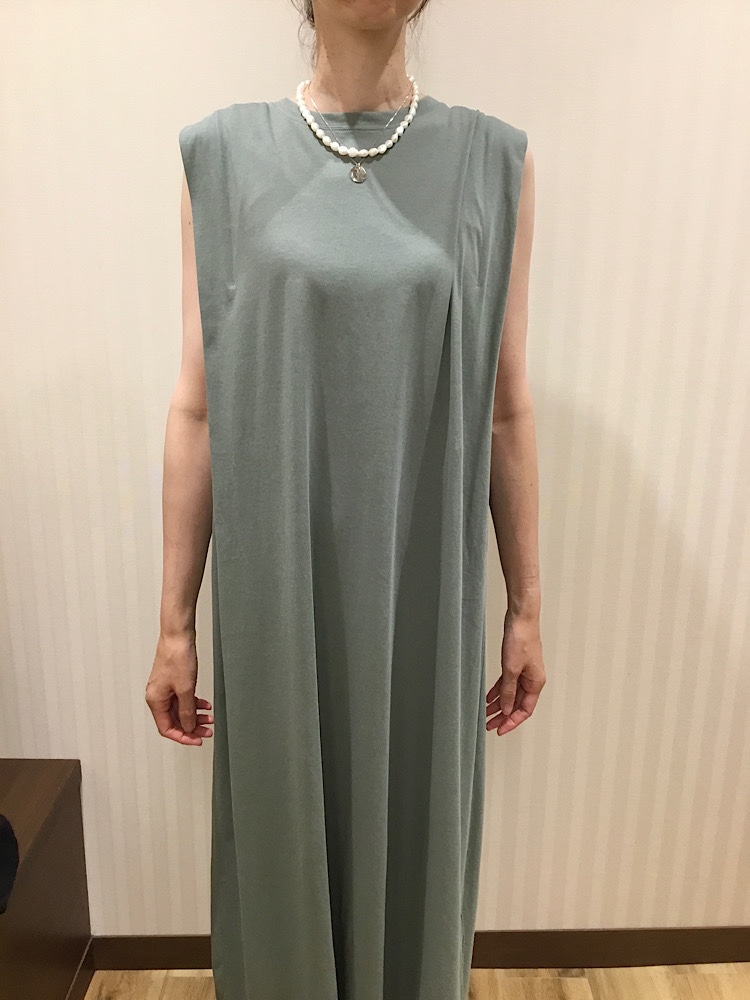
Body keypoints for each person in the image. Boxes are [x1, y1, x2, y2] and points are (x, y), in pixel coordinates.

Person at [145, 1, 546, 997]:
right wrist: (174, 624)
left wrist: (527, 607)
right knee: (282, 851)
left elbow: (505, 407)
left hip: (422, 603)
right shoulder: (223, 157)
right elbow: (198, 405)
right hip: (281, 599)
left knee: (414, 842)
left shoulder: (493, 162)